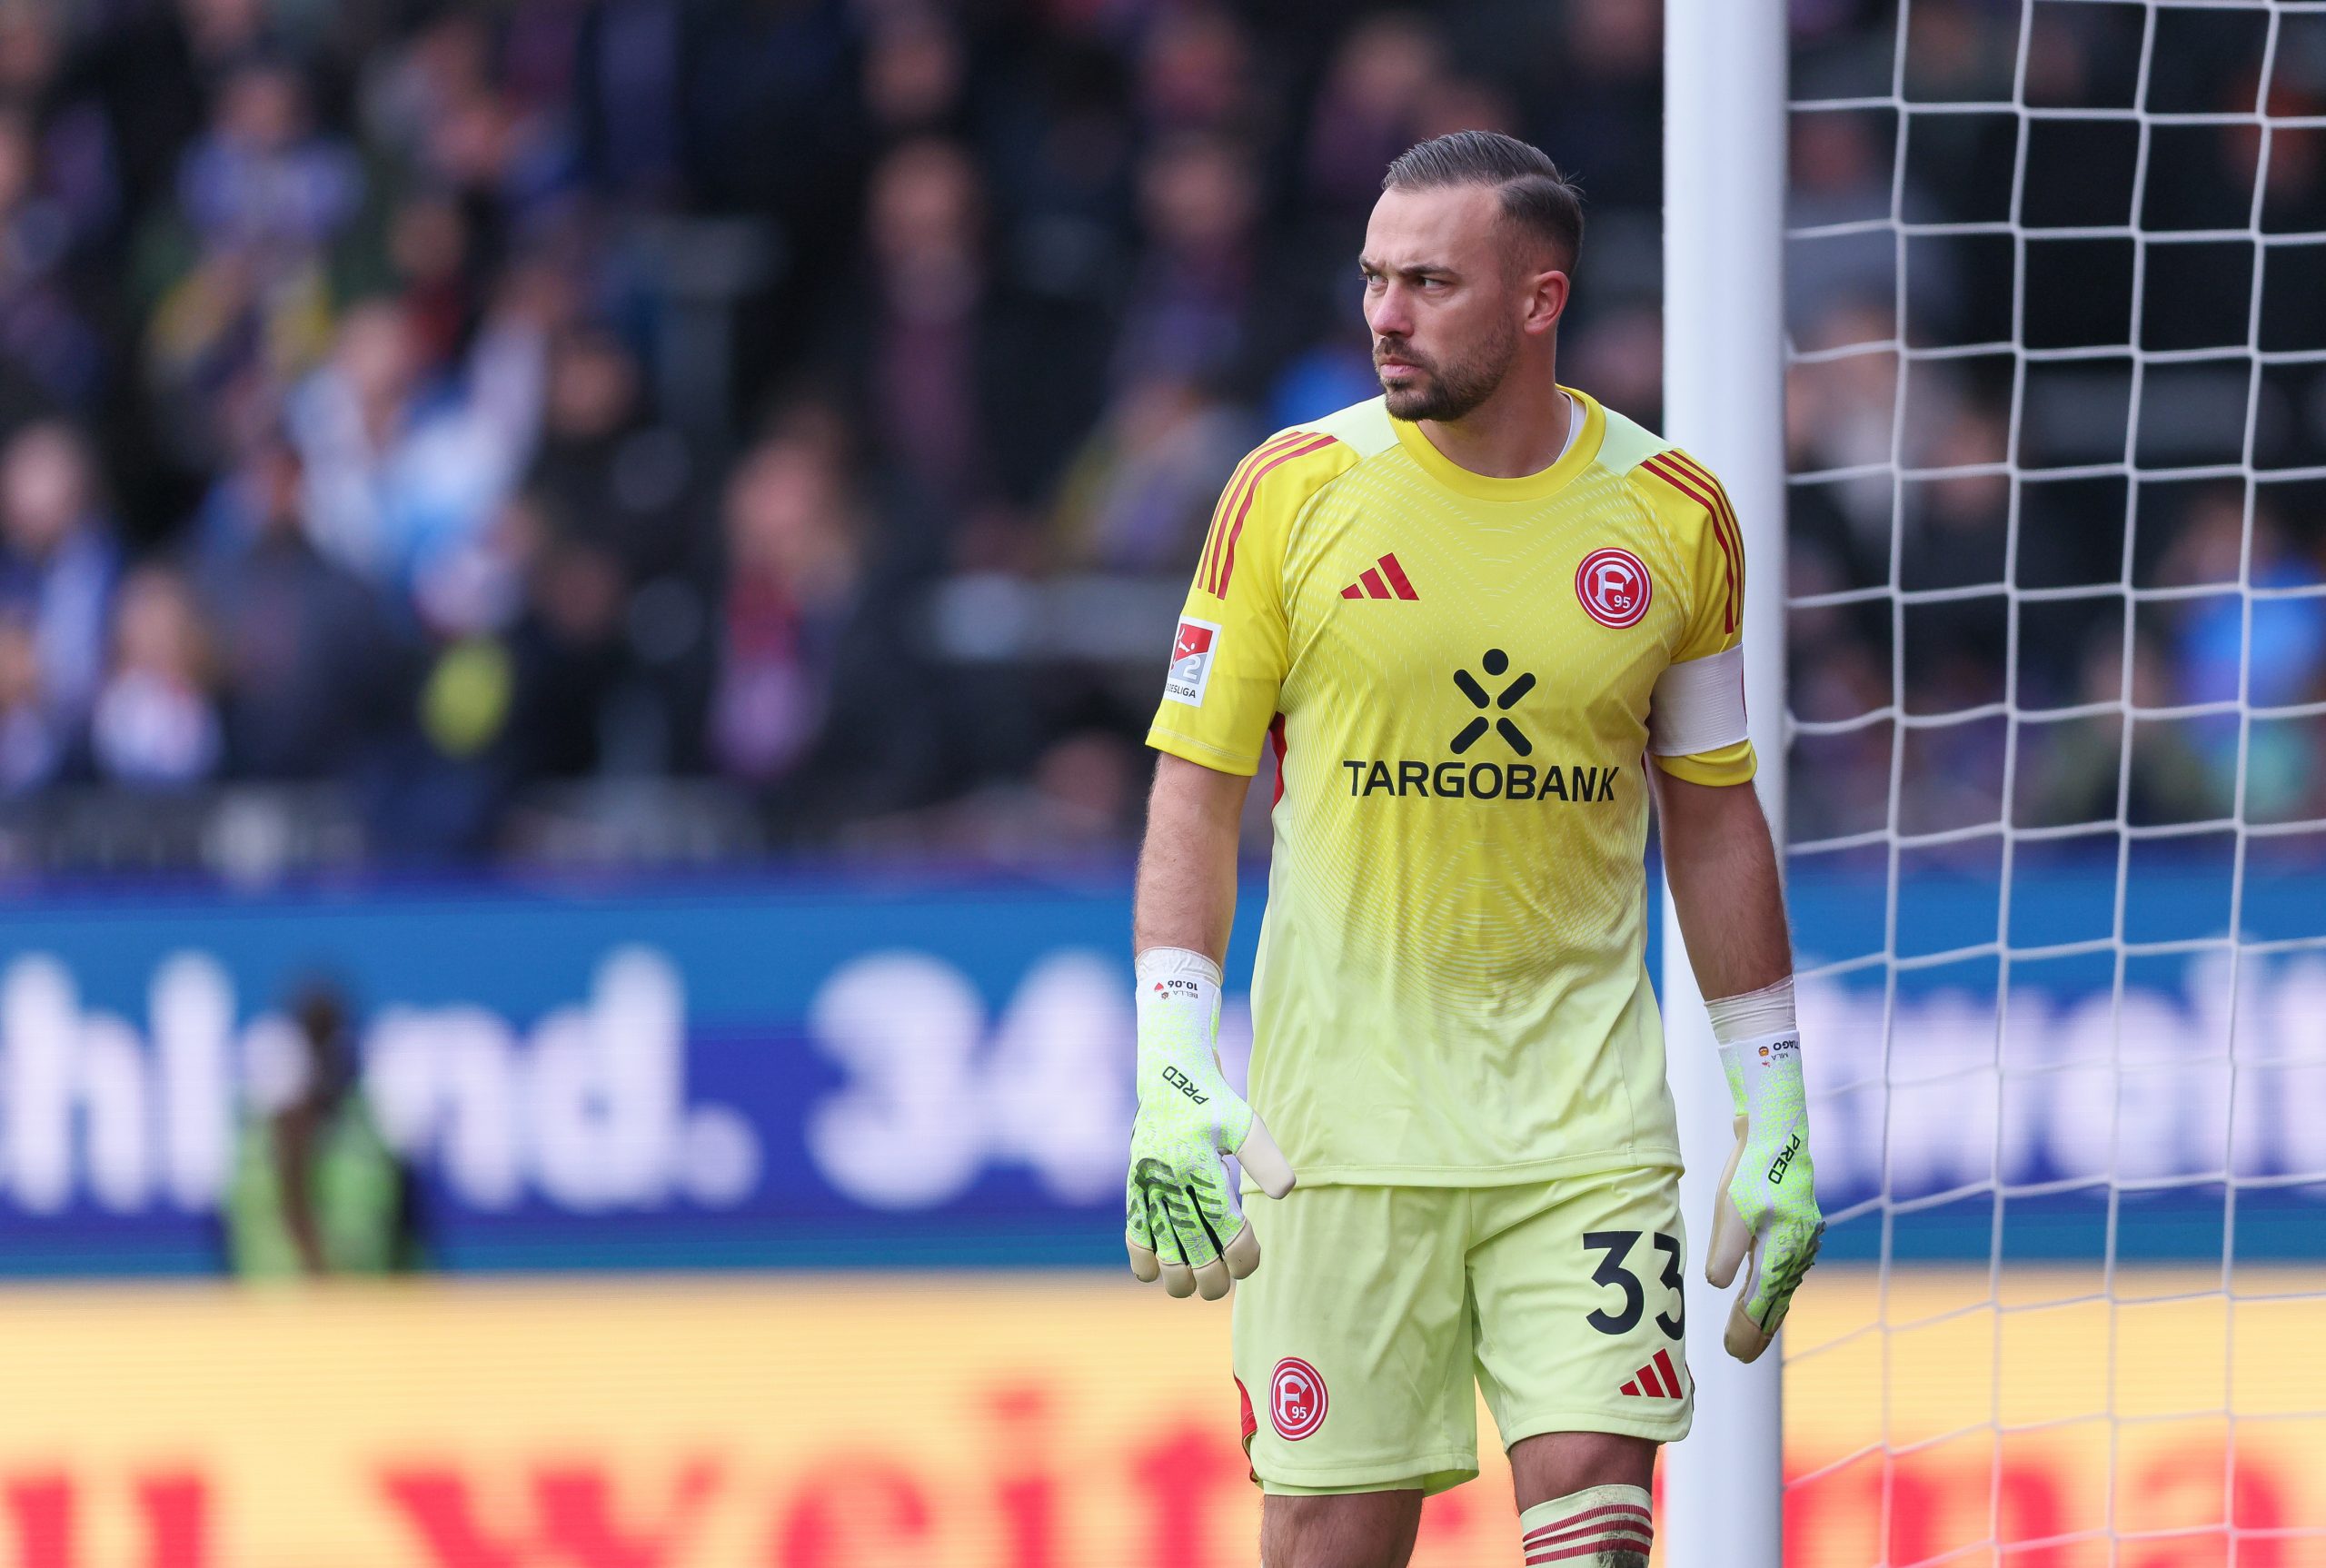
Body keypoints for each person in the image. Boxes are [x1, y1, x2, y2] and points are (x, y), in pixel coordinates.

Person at [1121, 131, 1825, 1568]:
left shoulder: (1674, 521)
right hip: (1341, 1133)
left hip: (1582, 1123)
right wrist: (1173, 1053)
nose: (1384, 312)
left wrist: (1775, 1090)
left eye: (1429, 282)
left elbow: (1710, 807)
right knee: (1333, 1538)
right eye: (1374, 277)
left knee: (1597, 1526)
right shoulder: (1290, 493)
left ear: (1537, 298)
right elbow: (1193, 788)